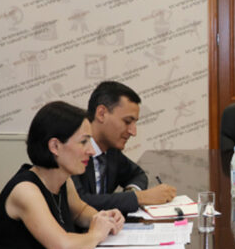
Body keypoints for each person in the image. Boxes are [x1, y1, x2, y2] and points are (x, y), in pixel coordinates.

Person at [0, 101, 124, 249]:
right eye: (84, 142)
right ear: (54, 146)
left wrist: (104, 219)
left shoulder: (64, 181)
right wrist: (96, 234)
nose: (92, 151)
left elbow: (80, 212)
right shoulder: (26, 191)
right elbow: (64, 247)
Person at [72, 81, 176, 214]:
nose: (133, 132)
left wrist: (132, 192)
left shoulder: (110, 152)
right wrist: (139, 198)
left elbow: (137, 174)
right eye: (127, 122)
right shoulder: (71, 149)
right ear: (101, 114)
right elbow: (78, 202)